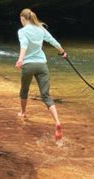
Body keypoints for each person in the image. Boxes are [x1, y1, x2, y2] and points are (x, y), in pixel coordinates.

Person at [15, 8, 67, 141]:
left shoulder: (22, 31)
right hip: (42, 65)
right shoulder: (40, 29)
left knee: (24, 90)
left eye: (20, 19)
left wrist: (20, 59)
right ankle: (57, 122)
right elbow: (54, 41)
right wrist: (62, 52)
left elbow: (24, 45)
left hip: (28, 65)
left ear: (23, 19)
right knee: (46, 95)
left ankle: (23, 112)